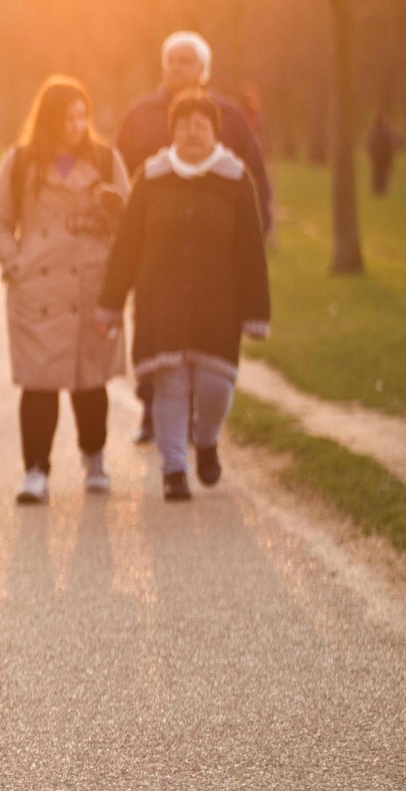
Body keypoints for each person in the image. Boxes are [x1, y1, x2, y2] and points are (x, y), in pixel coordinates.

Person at [98, 91, 270, 502]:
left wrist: (256, 311)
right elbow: (128, 243)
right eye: (184, 126)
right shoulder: (152, 175)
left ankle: (206, 440)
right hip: (161, 302)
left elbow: (251, 248)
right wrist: (111, 301)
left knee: (215, 386)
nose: (193, 133)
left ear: (214, 133)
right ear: (172, 131)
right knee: (169, 384)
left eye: (202, 126)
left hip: (219, 305)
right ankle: (174, 468)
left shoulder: (234, 178)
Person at [115, 31, 272, 445]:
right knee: (152, 328)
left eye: (186, 60)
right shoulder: (141, 113)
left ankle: (197, 421)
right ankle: (153, 410)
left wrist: (261, 224)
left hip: (212, 249)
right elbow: (119, 170)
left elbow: (252, 175)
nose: (176, 67)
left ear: (204, 70)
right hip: (154, 246)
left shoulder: (229, 117)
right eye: (170, 59)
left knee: (207, 330)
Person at [0, 76, 130, 504]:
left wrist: (112, 210)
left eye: (83, 115)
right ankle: (35, 472)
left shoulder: (105, 160)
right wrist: (15, 265)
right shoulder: (20, 162)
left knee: (90, 381)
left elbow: (130, 223)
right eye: (68, 117)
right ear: (49, 120)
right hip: (38, 291)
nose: (78, 124)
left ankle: (95, 458)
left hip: (91, 285)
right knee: (39, 384)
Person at [368, 112, 397, 196]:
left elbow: (370, 144)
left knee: (376, 172)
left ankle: (376, 189)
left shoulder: (373, 131)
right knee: (383, 173)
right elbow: (391, 145)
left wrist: (371, 154)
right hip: (385, 156)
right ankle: (382, 189)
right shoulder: (387, 131)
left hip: (376, 156)